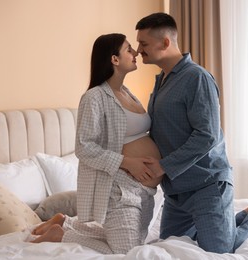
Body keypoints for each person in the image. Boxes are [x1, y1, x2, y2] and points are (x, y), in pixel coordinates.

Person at [135, 12, 248, 254]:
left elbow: (206, 136)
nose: (138, 50)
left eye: (143, 44)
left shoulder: (196, 78)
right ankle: (230, 220)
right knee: (171, 247)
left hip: (206, 184)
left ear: (165, 43)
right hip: (176, 192)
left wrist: (163, 166)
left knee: (220, 248)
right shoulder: (161, 81)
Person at [30, 33, 163, 254]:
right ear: (114, 59)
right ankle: (62, 234)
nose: (136, 52)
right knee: (128, 252)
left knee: (134, 243)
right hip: (120, 189)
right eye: (129, 49)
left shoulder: (128, 93)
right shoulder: (94, 97)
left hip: (144, 191)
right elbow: (84, 147)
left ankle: (65, 222)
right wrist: (128, 163)